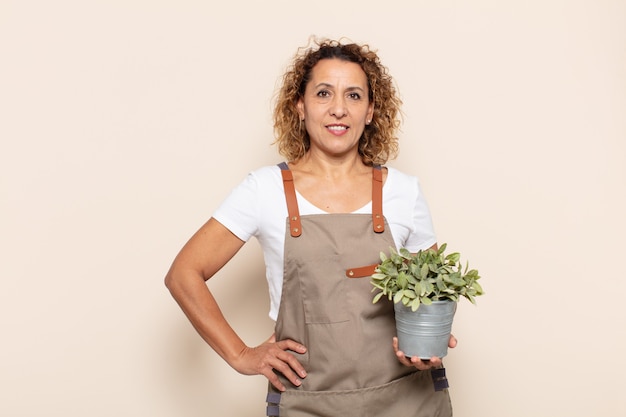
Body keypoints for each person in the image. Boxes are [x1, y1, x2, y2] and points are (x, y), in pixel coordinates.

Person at [164, 37, 456, 416]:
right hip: (308, 402)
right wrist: (240, 354)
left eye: (353, 96)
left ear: (370, 111)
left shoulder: (404, 191)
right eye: (323, 94)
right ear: (300, 106)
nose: (338, 109)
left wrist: (429, 341)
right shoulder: (263, 190)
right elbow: (183, 274)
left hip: (407, 400)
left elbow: (434, 289)